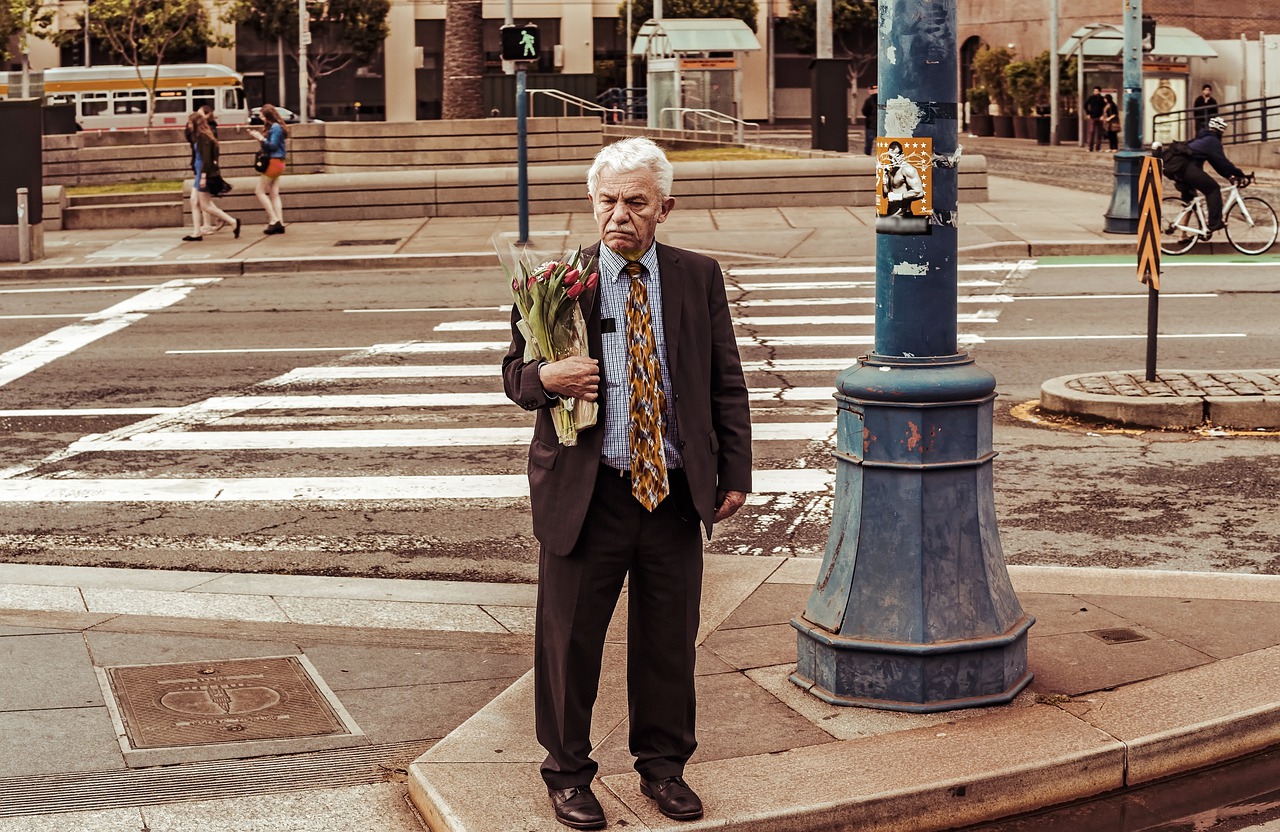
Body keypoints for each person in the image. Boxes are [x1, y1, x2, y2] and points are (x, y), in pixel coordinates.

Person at [502, 136, 752, 831]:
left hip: (672, 495)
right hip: (590, 496)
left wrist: (734, 471)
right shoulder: (554, 281)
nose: (620, 215)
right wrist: (544, 379)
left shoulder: (699, 277)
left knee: (668, 643)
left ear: (664, 207)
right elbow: (513, 376)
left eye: (636, 202)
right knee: (568, 643)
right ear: (592, 203)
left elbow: (725, 382)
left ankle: (664, 770)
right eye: (608, 200)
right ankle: (567, 773)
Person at [1177, 116, 1246, 234]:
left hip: (1180, 169)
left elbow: (1217, 164)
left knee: (1191, 201)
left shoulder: (1204, 138)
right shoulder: (1212, 141)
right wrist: (1239, 173)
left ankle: (1182, 235)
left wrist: (1228, 175)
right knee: (1213, 189)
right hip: (1187, 169)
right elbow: (1222, 162)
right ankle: (1215, 223)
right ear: (1221, 132)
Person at [183, 110, 239, 242]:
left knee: (205, 205)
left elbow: (206, 159)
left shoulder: (204, 138)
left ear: (197, 124)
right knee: (194, 202)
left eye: (191, 123)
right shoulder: (201, 136)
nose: (189, 125)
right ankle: (196, 232)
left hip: (202, 173)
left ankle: (232, 221)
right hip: (200, 171)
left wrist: (202, 177)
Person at [247, 103, 288, 235]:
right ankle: (280, 223)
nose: (261, 118)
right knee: (274, 193)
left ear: (267, 116)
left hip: (273, 162)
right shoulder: (278, 126)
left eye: (262, 116)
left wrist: (261, 138)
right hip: (280, 162)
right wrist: (259, 138)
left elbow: (272, 146)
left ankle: (274, 220)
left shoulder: (275, 127)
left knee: (259, 191)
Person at [881, 140, 925, 216]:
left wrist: (899, 196)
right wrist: (885, 179)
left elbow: (919, 193)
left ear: (902, 155)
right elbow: (885, 194)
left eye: (896, 156)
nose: (893, 159)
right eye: (891, 157)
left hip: (903, 213)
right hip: (891, 212)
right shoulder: (891, 170)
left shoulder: (907, 169)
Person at [1084, 86, 1107, 152]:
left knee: (1099, 133)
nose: (1095, 92)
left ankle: (1098, 148)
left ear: (1099, 91)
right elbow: (1085, 105)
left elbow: (1106, 107)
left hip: (1100, 117)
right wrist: (1088, 113)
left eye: (1096, 91)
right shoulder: (1091, 98)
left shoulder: (1102, 99)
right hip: (1092, 117)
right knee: (1091, 132)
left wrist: (1103, 115)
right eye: (1094, 91)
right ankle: (1090, 147)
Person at [861, 84, 878, 155]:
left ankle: (867, 154)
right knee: (881, 142)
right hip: (881, 125)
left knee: (869, 143)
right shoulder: (882, 100)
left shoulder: (869, 101)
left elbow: (865, 112)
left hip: (870, 125)